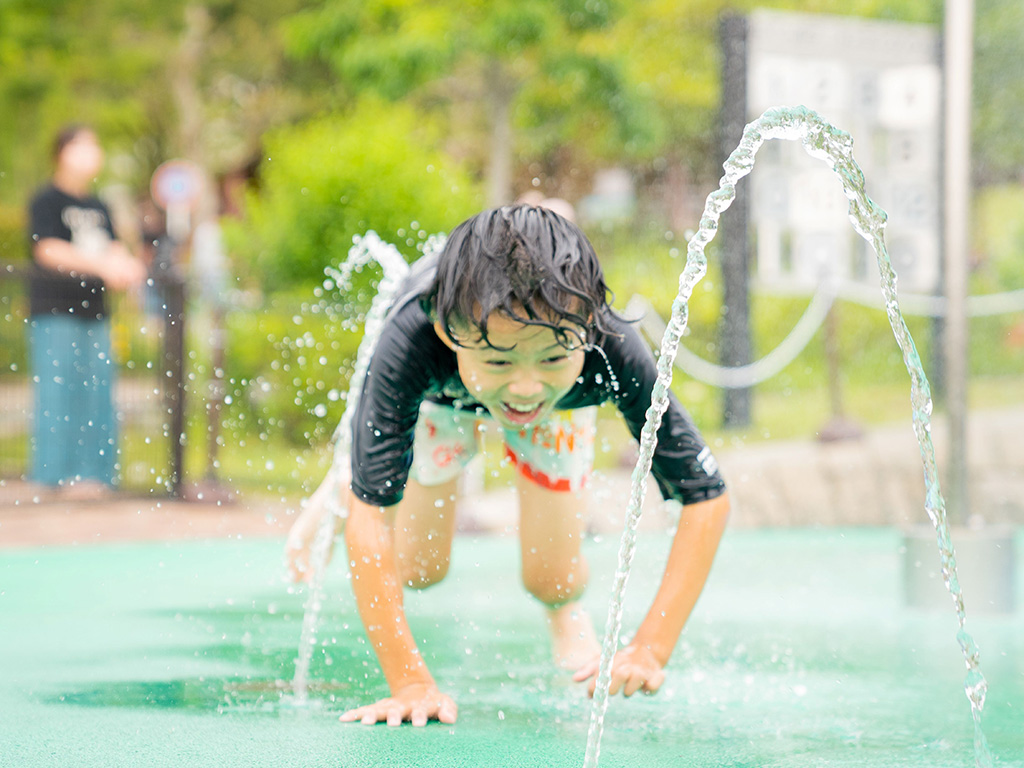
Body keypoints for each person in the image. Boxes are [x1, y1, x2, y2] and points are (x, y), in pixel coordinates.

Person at [286, 205, 729, 726]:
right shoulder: (411, 339)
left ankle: (562, 611)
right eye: (500, 360)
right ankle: (356, 479)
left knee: (554, 579)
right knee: (419, 569)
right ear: (449, 332)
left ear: (586, 330)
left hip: (561, 404)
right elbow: (372, 524)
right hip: (443, 395)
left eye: (550, 357)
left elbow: (706, 496)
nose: (523, 387)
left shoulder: (609, 346)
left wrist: (651, 649)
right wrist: (410, 684)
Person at [27, 125, 146, 497]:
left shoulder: (99, 206)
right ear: (63, 151)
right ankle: (52, 478)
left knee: (98, 393)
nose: (93, 153)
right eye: (84, 145)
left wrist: (127, 266)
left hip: (96, 313)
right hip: (53, 311)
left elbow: (113, 249)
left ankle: (95, 476)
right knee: (56, 392)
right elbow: (46, 249)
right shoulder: (45, 200)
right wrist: (102, 267)